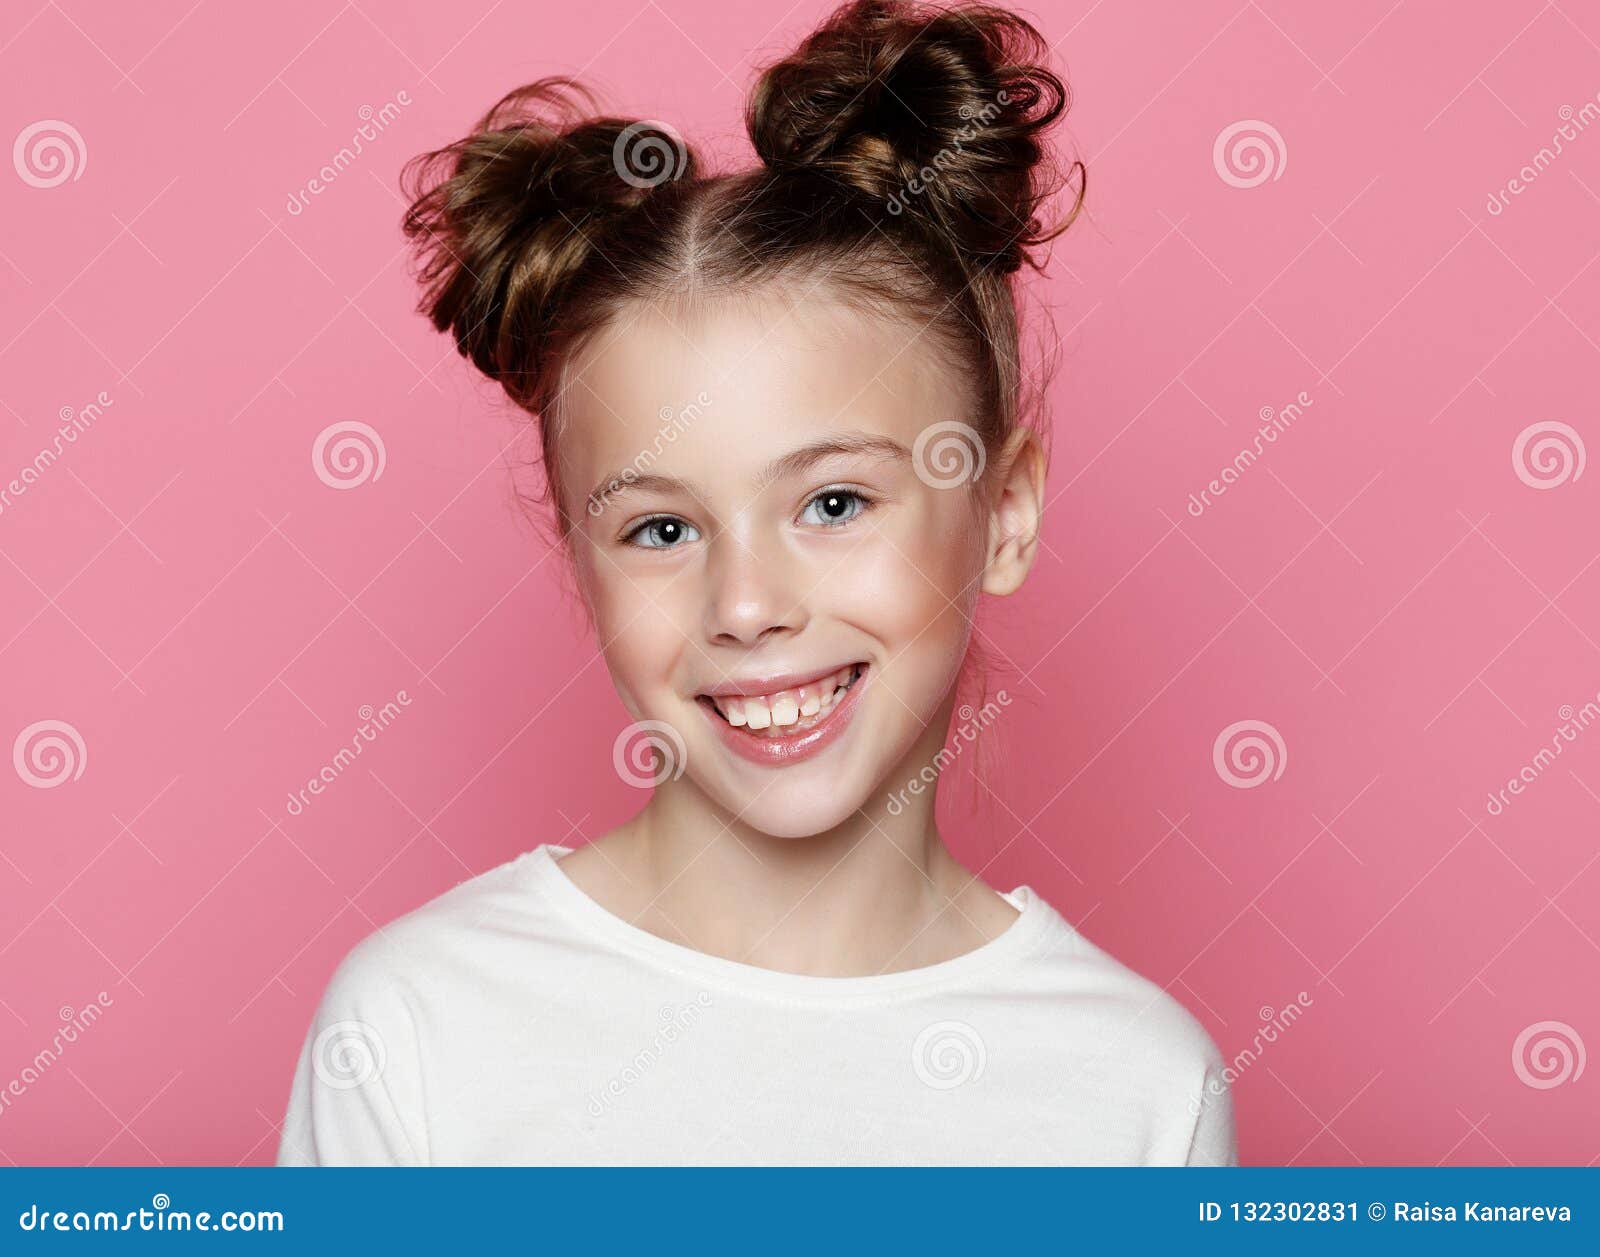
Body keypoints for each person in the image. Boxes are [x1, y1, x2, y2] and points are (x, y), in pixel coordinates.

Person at [276, 0, 1237, 1167]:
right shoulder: (418, 1030)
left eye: (834, 504)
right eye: (662, 528)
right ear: (580, 564)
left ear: (1004, 512)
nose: (744, 607)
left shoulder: (1134, 1089)